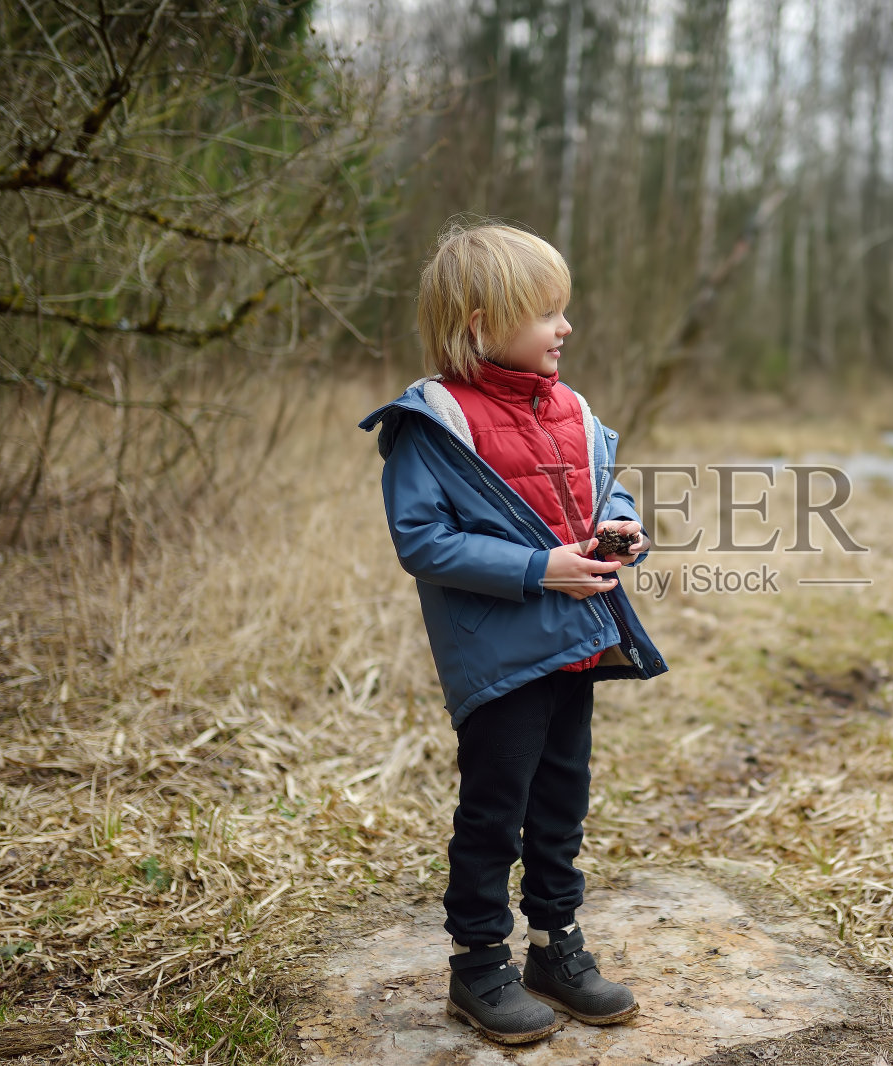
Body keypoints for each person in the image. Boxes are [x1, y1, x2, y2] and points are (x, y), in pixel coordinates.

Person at [359, 222, 667, 1045]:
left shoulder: (568, 408)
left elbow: (609, 489)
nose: (564, 328)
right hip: (500, 657)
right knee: (496, 810)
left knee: (563, 801)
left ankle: (553, 948)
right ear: (479, 324)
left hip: (573, 644)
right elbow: (422, 541)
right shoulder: (437, 422)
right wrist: (539, 569)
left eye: (562, 311)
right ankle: (477, 966)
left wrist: (621, 525)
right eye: (545, 313)